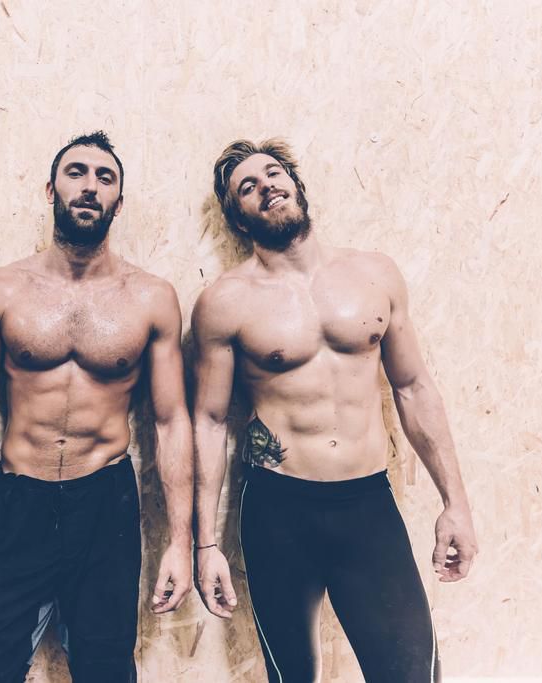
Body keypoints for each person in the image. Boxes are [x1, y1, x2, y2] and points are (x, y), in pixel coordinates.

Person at [192, 138, 478, 682]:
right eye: (247, 187)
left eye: (274, 173)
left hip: (366, 503)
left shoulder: (374, 275)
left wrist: (455, 504)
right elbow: (208, 421)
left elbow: (414, 387)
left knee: (411, 674)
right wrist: (206, 544)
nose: (266, 185)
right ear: (239, 218)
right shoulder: (225, 302)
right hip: (277, 507)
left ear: (296, 186)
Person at [0, 132, 194, 682]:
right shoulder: (0, 290)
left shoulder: (150, 297)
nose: (90, 186)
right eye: (76, 173)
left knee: (106, 668)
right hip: (19, 498)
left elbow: (172, 422)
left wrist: (180, 541)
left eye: (105, 177)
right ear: (50, 190)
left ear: (118, 203)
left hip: (105, 500)